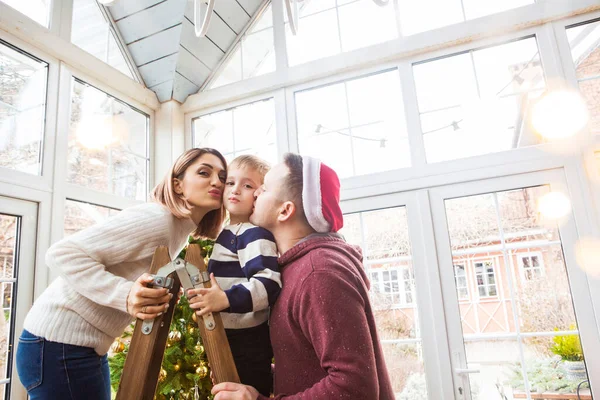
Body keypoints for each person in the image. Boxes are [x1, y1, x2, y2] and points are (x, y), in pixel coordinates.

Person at [16, 148, 228, 400]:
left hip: (80, 348)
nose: (217, 182)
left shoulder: (179, 231)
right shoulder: (158, 219)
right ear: (177, 185)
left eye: (223, 177)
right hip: (58, 346)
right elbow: (62, 253)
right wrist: (125, 294)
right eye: (204, 172)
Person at [211, 153, 394, 400]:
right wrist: (250, 375)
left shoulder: (319, 272)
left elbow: (354, 388)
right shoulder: (293, 268)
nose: (253, 194)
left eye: (263, 189)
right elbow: (307, 369)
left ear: (285, 210)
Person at [188, 155, 281, 397]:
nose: (235, 190)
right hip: (231, 335)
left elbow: (269, 282)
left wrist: (226, 299)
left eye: (247, 185)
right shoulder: (229, 232)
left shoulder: (253, 234)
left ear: (259, 195)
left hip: (247, 339)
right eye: (230, 183)